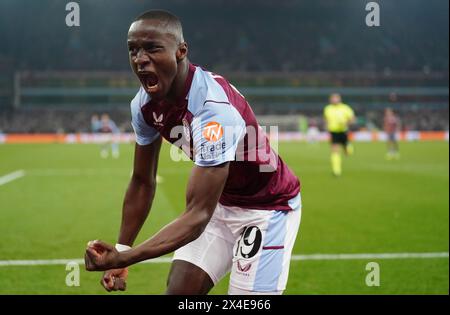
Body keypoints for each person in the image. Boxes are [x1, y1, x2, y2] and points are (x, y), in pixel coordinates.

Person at [84, 10, 302, 295]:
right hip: (220, 203)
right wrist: (122, 250)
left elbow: (197, 215)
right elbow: (141, 181)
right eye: (133, 49)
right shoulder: (144, 105)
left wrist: (127, 256)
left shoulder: (213, 111)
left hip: (266, 207)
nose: (139, 59)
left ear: (180, 51)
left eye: (152, 48)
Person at [323, 93, 355, 176]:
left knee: (347, 151)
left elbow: (352, 119)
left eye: (336, 98)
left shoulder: (345, 108)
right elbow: (326, 119)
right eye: (333, 98)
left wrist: (346, 123)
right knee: (334, 150)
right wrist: (326, 126)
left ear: (339, 99)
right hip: (333, 131)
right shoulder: (328, 108)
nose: (334, 100)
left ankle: (348, 147)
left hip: (343, 131)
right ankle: (336, 170)